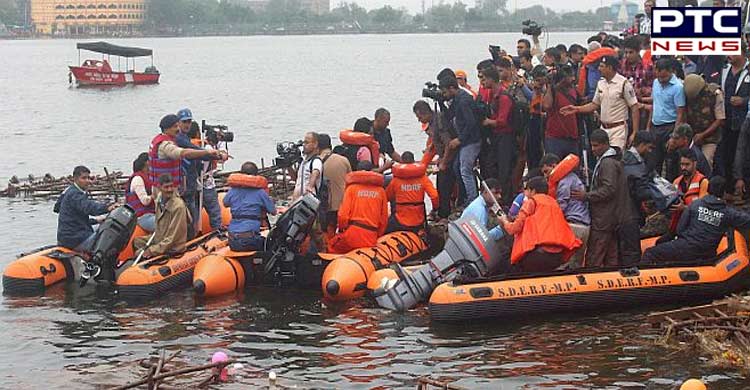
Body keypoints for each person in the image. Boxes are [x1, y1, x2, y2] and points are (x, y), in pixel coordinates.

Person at [642, 176, 750, 263]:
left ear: (708, 188)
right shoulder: (728, 213)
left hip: (686, 247)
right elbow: (746, 220)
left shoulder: (695, 205)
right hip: (707, 253)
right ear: (724, 192)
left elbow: (680, 230)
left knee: (650, 253)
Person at [571, 130, 639, 267]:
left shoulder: (607, 163)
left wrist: (586, 196)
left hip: (604, 218)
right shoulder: (610, 161)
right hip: (612, 217)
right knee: (611, 254)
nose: (593, 149)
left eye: (596, 146)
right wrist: (591, 174)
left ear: (605, 144)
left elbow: (609, 189)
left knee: (595, 254)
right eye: (592, 146)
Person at [499, 176, 582, 273]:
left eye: (526, 190)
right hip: (558, 256)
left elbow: (514, 229)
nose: (525, 193)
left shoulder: (531, 202)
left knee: (507, 266)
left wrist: (504, 221)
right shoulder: (554, 203)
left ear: (532, 191)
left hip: (538, 255)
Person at [560, 56, 640, 151]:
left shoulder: (624, 84)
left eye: (602, 66)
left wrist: (635, 132)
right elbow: (594, 104)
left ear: (609, 68)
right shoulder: (601, 83)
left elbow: (634, 107)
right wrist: (577, 109)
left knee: (615, 157)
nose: (599, 69)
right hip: (603, 128)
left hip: (619, 129)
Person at [174, 108, 226, 232]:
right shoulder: (180, 140)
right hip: (189, 185)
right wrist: (215, 154)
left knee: (198, 214)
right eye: (184, 122)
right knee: (196, 216)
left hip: (194, 184)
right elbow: (196, 152)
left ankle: (200, 234)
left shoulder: (186, 139)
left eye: (189, 122)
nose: (187, 124)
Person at [148, 114, 222, 199]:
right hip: (166, 190)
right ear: (166, 129)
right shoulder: (165, 145)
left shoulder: (158, 140)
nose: (178, 129)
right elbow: (184, 153)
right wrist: (206, 152)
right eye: (175, 127)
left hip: (161, 187)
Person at [540, 154, 590, 266]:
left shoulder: (564, 181)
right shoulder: (574, 178)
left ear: (554, 166)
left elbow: (561, 205)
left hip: (573, 226)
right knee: (577, 263)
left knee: (567, 265)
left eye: (546, 171)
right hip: (584, 225)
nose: (545, 176)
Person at [328, 161, 389, 254]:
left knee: (331, 246)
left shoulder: (351, 189)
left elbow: (343, 216)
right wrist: (377, 235)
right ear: (372, 171)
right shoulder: (381, 191)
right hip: (371, 238)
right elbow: (383, 219)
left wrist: (341, 229)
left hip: (352, 236)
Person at [55, 166, 117, 254]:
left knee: (100, 226)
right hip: (74, 239)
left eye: (88, 178)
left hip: (67, 236)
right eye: (84, 178)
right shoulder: (75, 194)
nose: (87, 181)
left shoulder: (69, 191)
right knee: (109, 234)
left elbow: (58, 209)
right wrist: (107, 207)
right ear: (75, 179)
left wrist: (96, 220)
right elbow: (89, 207)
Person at [440, 75, 482, 206]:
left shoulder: (463, 101)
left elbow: (471, 123)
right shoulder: (457, 99)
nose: (445, 94)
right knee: (457, 167)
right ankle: (465, 197)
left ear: (452, 88)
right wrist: (441, 102)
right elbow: (450, 115)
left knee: (465, 170)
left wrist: (459, 139)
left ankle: (473, 200)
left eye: (445, 92)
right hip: (466, 141)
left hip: (471, 141)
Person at [413, 100, 457, 220]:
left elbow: (448, 143)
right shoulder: (432, 122)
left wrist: (443, 161)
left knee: (443, 187)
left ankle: (444, 214)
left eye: (419, 117)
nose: (419, 120)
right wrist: (432, 148)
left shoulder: (439, 121)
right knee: (440, 185)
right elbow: (437, 140)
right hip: (444, 156)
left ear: (425, 113)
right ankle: (441, 211)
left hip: (451, 157)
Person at [480, 65, 515, 205]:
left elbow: (502, 121)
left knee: (504, 169)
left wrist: (488, 122)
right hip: (496, 136)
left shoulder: (504, 97)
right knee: (491, 166)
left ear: (491, 79)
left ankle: (505, 200)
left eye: (484, 78)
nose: (482, 81)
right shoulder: (491, 94)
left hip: (505, 136)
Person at [223, 162, 277, 252]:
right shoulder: (260, 193)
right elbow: (273, 212)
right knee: (273, 245)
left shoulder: (232, 191)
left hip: (232, 240)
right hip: (249, 240)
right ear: (256, 176)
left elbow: (225, 203)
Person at [133, 174, 190, 258]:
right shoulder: (159, 200)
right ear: (159, 188)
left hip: (172, 246)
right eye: (166, 187)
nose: (170, 190)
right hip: (160, 239)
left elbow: (172, 238)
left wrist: (152, 250)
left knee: (140, 253)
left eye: (171, 186)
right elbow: (158, 227)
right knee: (136, 242)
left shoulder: (178, 206)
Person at [647, 58, 687, 176]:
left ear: (671, 72)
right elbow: (654, 105)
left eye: (664, 77)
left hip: (669, 127)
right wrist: (648, 126)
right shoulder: (655, 83)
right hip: (655, 126)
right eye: (659, 77)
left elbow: (680, 113)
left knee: (671, 165)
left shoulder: (678, 87)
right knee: (654, 162)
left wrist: (674, 136)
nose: (661, 80)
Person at [716, 49, 750, 182]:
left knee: (743, 156)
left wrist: (744, 100)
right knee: (727, 154)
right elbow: (719, 87)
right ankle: (729, 187)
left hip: (744, 120)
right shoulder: (725, 69)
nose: (728, 55)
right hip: (727, 120)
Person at [385, 151, 438, 233]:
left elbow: (387, 197)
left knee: (383, 230)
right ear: (413, 161)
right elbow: (434, 196)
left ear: (402, 162)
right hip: (419, 220)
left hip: (400, 220)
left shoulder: (395, 180)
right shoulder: (423, 178)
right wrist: (435, 209)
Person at [683, 74, 725, 167]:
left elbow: (720, 120)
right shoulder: (685, 91)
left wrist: (703, 135)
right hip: (692, 135)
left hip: (711, 136)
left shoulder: (715, 94)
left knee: (706, 161)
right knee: (687, 162)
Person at [668, 148, 709, 235]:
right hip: (677, 226)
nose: (683, 168)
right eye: (682, 164)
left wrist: (684, 208)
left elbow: (703, 209)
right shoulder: (676, 182)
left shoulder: (703, 182)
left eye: (687, 164)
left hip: (695, 228)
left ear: (695, 164)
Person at [319, 133, 352, 240]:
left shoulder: (314, 163)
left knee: (326, 234)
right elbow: (351, 182)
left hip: (324, 206)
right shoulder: (343, 160)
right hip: (342, 205)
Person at [542, 65, 579, 159]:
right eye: (570, 76)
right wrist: (550, 86)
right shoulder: (553, 91)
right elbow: (546, 105)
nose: (573, 79)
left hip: (572, 137)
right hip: (554, 138)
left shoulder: (574, 91)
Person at [622, 131, 657, 228]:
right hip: (630, 212)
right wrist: (658, 192)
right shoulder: (633, 163)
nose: (650, 151)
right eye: (649, 147)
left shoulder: (631, 158)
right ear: (642, 144)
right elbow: (641, 191)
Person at [461, 177, 505, 242]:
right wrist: (501, 228)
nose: (499, 196)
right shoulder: (480, 211)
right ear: (485, 192)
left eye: (500, 193)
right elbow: (481, 240)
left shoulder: (483, 204)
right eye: (496, 193)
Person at [199, 127, 224, 231]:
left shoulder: (196, 147)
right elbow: (222, 158)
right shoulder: (209, 149)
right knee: (214, 212)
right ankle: (217, 231)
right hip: (207, 185)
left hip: (195, 184)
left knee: (194, 213)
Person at [125, 152, 155, 232]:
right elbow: (145, 201)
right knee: (163, 226)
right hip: (142, 217)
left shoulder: (149, 177)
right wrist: (156, 195)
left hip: (152, 213)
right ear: (146, 163)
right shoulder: (137, 179)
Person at [293, 131, 323, 201]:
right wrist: (288, 166)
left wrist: (310, 186)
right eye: (303, 143)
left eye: (307, 143)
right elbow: (297, 179)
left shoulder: (316, 161)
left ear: (315, 144)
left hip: (308, 202)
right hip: (298, 201)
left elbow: (316, 171)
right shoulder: (304, 162)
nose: (304, 145)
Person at [372, 108, 402, 173]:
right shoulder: (366, 128)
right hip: (370, 167)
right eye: (386, 122)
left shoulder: (386, 133)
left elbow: (391, 152)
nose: (388, 124)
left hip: (381, 166)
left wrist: (405, 163)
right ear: (378, 119)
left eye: (388, 122)